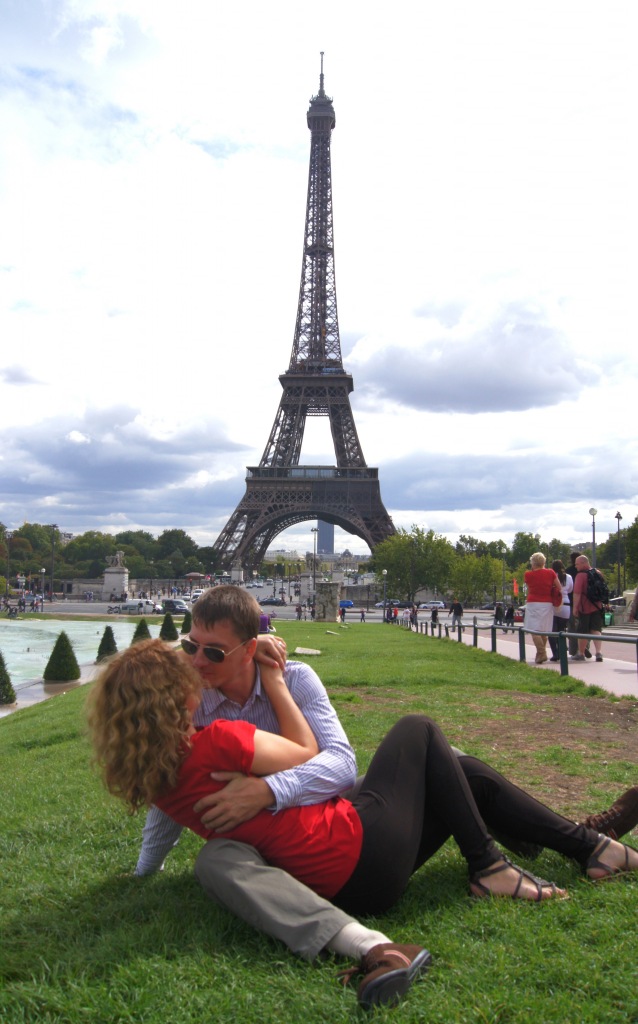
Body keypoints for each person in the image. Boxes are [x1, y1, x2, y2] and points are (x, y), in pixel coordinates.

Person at [89, 640, 638, 1002]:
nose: (195, 665)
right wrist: (275, 681)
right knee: (419, 729)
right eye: (185, 662)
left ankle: (590, 845)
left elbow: (164, 824)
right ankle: (490, 866)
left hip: (346, 880)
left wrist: (144, 870)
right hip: (358, 846)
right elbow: (311, 753)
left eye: (203, 651)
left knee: (460, 772)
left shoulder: (157, 779)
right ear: (174, 698)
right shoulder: (219, 742)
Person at [523, 552, 561, 664]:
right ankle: (540, 655)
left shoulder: (528, 575)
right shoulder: (551, 572)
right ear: (544, 562)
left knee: (534, 630)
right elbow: (559, 587)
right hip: (547, 603)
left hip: (533, 602)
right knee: (544, 629)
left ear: (533, 563)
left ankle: (542, 652)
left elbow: (529, 587)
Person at [572, 555, 605, 662]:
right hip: (597, 606)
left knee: (583, 631)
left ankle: (581, 654)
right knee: (596, 630)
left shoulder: (580, 575)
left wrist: (575, 608)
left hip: (584, 607)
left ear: (583, 563)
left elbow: (577, 593)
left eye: (577, 564)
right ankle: (599, 653)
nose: (576, 566)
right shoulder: (598, 573)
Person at [548, 560, 573, 661]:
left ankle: (555, 653)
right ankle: (562, 652)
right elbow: (570, 589)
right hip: (565, 604)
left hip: (554, 604)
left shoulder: (551, 576)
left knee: (552, 631)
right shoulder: (568, 577)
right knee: (561, 630)